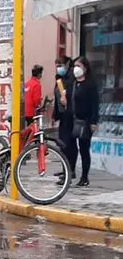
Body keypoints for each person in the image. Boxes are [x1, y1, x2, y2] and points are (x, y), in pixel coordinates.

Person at [71, 56, 99, 187]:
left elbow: (95, 104)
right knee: (73, 147)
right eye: (75, 66)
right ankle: (72, 171)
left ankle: (84, 176)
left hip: (86, 121)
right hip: (75, 120)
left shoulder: (90, 85)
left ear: (85, 68)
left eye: (79, 66)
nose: (76, 69)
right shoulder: (74, 83)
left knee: (84, 149)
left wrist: (94, 121)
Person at [53, 56, 77, 186]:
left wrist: (66, 98)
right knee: (63, 144)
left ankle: (69, 170)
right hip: (62, 115)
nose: (58, 67)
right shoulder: (59, 78)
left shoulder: (72, 78)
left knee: (68, 144)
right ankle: (65, 169)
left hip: (70, 115)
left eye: (60, 64)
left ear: (68, 64)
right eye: (56, 64)